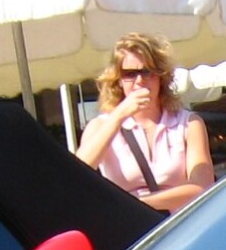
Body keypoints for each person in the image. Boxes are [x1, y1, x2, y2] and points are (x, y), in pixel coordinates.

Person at [76, 33, 213, 212]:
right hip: (129, 230)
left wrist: (137, 203)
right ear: (118, 80)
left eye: (147, 72)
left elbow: (201, 187)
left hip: (178, 227)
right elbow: (77, 175)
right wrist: (119, 116)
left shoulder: (188, 123)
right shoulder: (101, 126)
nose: (139, 81)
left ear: (161, 77)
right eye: (130, 74)